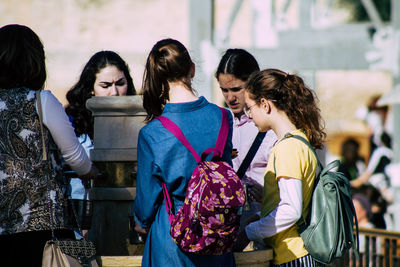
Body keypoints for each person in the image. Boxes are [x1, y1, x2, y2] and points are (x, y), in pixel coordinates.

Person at [0, 24, 98, 267]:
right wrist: (95, 172)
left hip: (3, 228)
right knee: (85, 259)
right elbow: (77, 159)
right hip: (47, 230)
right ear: (34, 60)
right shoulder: (42, 101)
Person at [133, 38, 236, 266]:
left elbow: (146, 207)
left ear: (158, 78)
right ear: (192, 69)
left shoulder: (152, 133)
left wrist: (139, 221)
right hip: (216, 237)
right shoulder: (223, 117)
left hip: (173, 239)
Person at [233, 69, 326, 267]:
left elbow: (290, 210)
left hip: (291, 254)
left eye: (250, 107)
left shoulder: (287, 148)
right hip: (298, 253)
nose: (249, 116)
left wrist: (251, 231)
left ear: (265, 105)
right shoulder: (300, 141)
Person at [64, 50, 136, 238]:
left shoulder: (138, 119)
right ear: (91, 88)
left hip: (124, 212)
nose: (115, 92)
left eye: (121, 83)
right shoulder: (70, 121)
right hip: (80, 217)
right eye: (105, 85)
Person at [215, 49, 277, 246]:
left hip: (266, 229)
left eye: (236, 89)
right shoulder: (220, 123)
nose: (230, 98)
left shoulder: (271, 125)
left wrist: (267, 195)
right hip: (229, 231)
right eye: (224, 90)